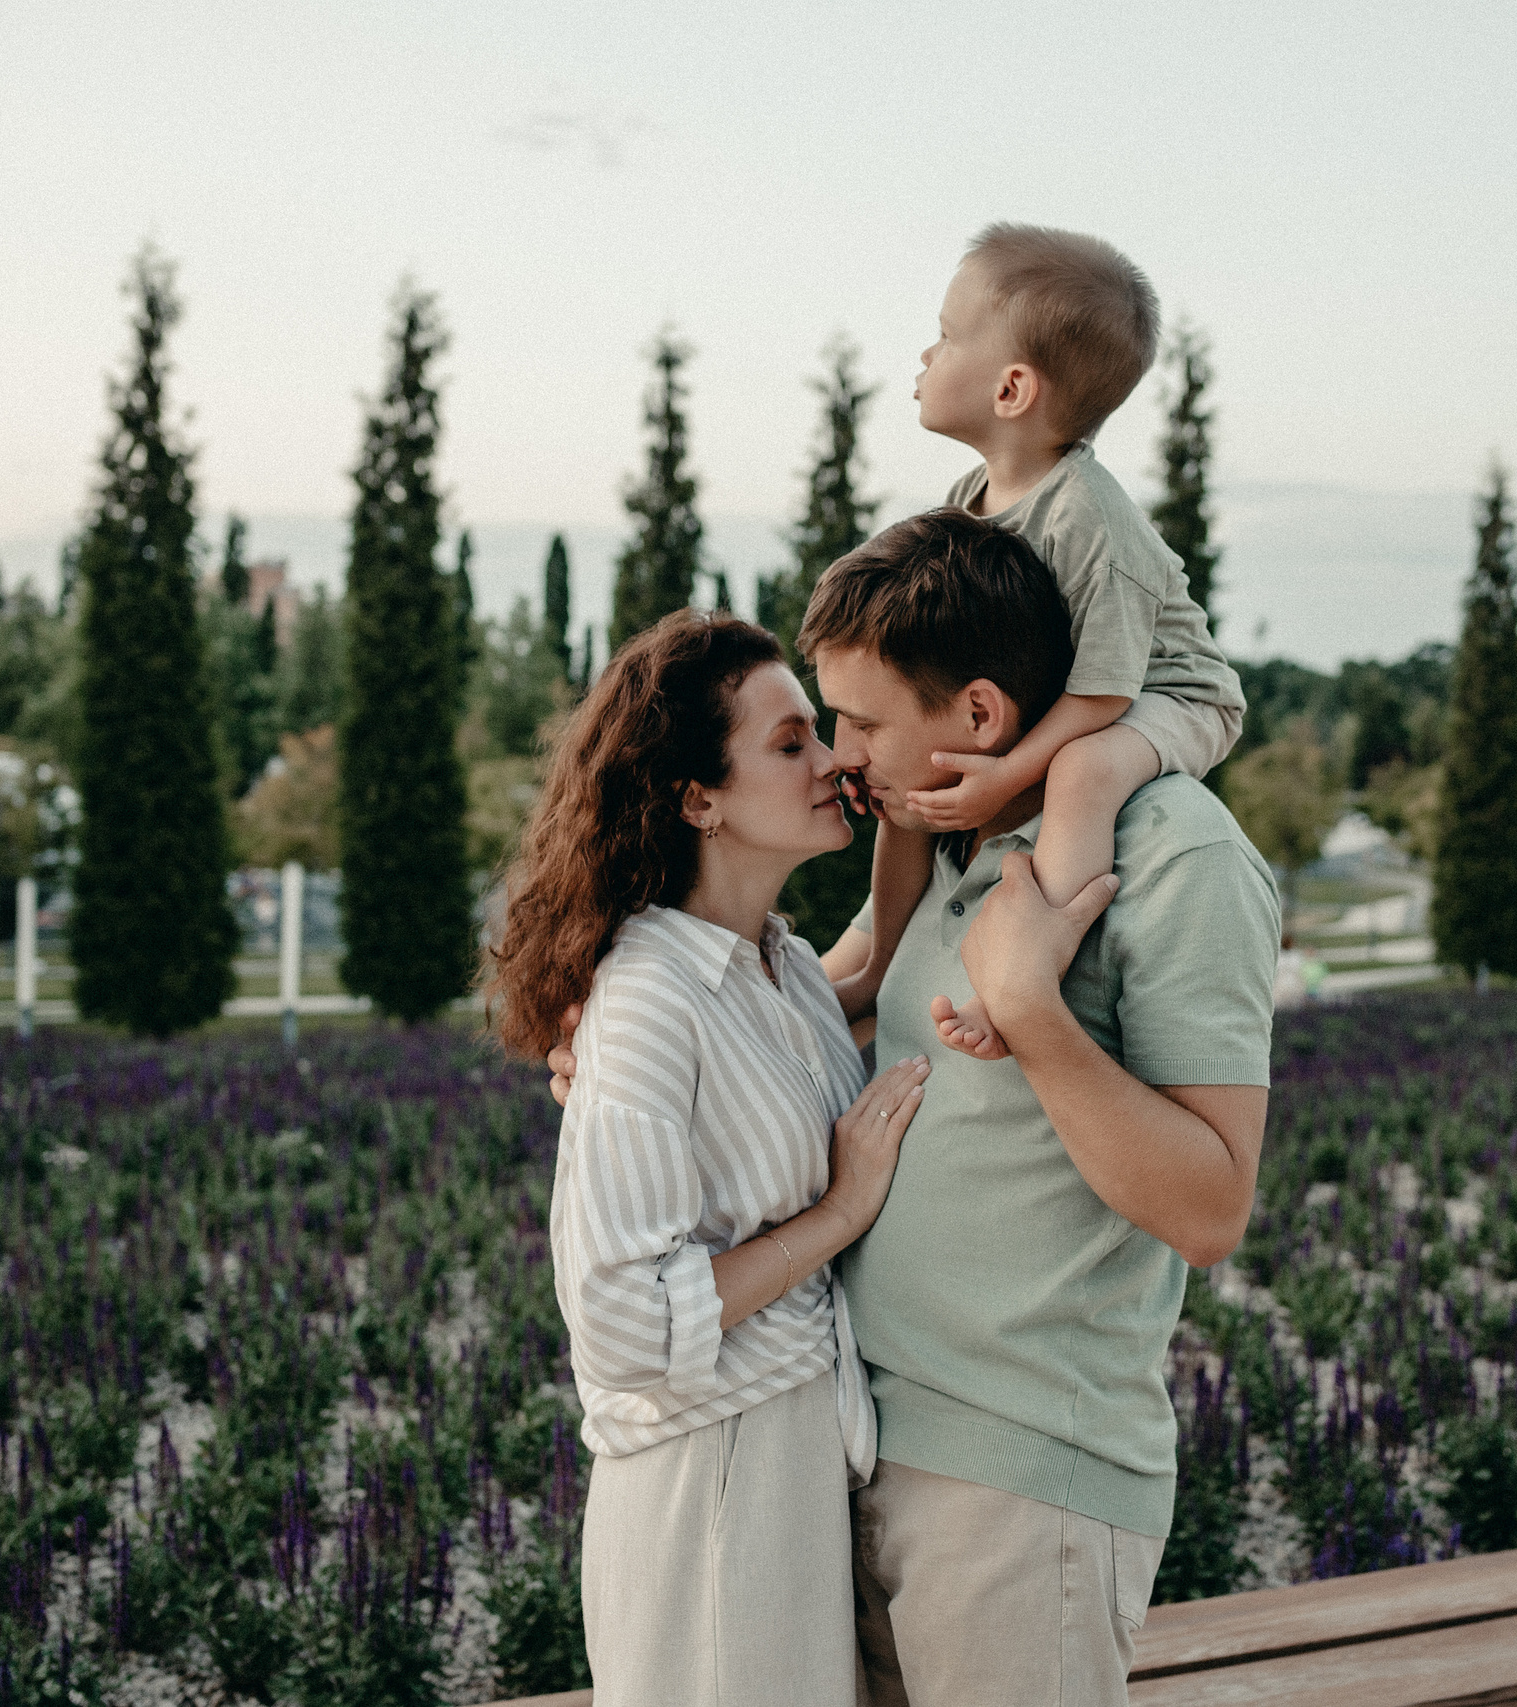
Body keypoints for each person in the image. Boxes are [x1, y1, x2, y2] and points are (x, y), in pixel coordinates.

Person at [809, 511, 1276, 1704]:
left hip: (1022, 1484)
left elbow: (1212, 1206)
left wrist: (1031, 1009)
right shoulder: (947, 845)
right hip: (863, 1450)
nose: (837, 753)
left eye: (860, 723)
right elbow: (832, 1011)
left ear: (977, 713)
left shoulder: (1177, 857)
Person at [492, 611, 934, 1707]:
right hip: (714, 1492)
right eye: (791, 744)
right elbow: (623, 1324)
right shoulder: (645, 1000)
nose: (830, 758)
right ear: (698, 798)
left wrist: (909, 796)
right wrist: (837, 1212)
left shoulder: (772, 963)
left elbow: (879, 950)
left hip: (793, 1473)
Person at [827, 224, 1246, 1061]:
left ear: (1012, 388)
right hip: (1095, 688)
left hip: (1171, 694)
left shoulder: (1089, 517)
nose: (923, 354)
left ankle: (1026, 977)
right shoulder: (970, 496)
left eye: (946, 338)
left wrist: (1006, 781)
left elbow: (1104, 696)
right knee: (916, 780)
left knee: (1084, 771)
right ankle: (877, 964)